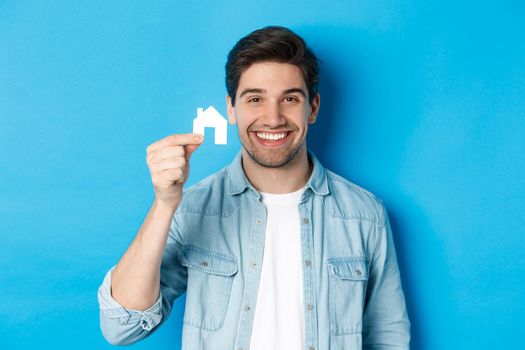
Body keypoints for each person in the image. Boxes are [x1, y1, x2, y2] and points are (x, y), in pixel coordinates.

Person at [98, 25, 410, 350]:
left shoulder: (364, 215)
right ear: (232, 109)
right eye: (255, 99)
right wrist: (164, 204)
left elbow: (388, 336)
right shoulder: (192, 208)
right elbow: (122, 326)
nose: (273, 118)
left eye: (289, 98)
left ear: (313, 108)